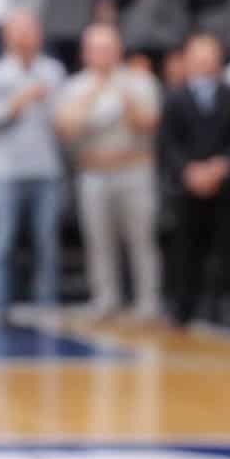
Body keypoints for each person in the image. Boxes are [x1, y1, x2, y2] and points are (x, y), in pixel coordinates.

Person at [53, 23, 163, 322]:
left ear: (119, 50)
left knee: (141, 239)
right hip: (93, 172)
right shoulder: (75, 85)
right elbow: (65, 128)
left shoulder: (139, 81)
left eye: (107, 48)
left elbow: (148, 123)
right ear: (85, 53)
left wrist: (121, 91)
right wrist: (94, 91)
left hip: (134, 169)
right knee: (98, 241)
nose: (102, 54)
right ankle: (106, 299)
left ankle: (147, 302)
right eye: (95, 48)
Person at [0, 7, 67, 322]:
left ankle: (47, 307)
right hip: (4, 173)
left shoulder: (54, 71)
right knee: (1, 244)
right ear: (8, 36)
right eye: (20, 30)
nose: (26, 36)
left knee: (47, 244)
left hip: (47, 170)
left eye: (31, 29)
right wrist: (20, 100)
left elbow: (64, 119)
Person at [159, 31, 230, 327]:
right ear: (188, 60)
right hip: (188, 187)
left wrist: (221, 166)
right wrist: (189, 171)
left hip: (226, 185)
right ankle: (184, 307)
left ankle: (223, 306)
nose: (204, 62)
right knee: (186, 249)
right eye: (198, 56)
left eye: (210, 56)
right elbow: (168, 143)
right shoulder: (175, 97)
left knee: (227, 248)